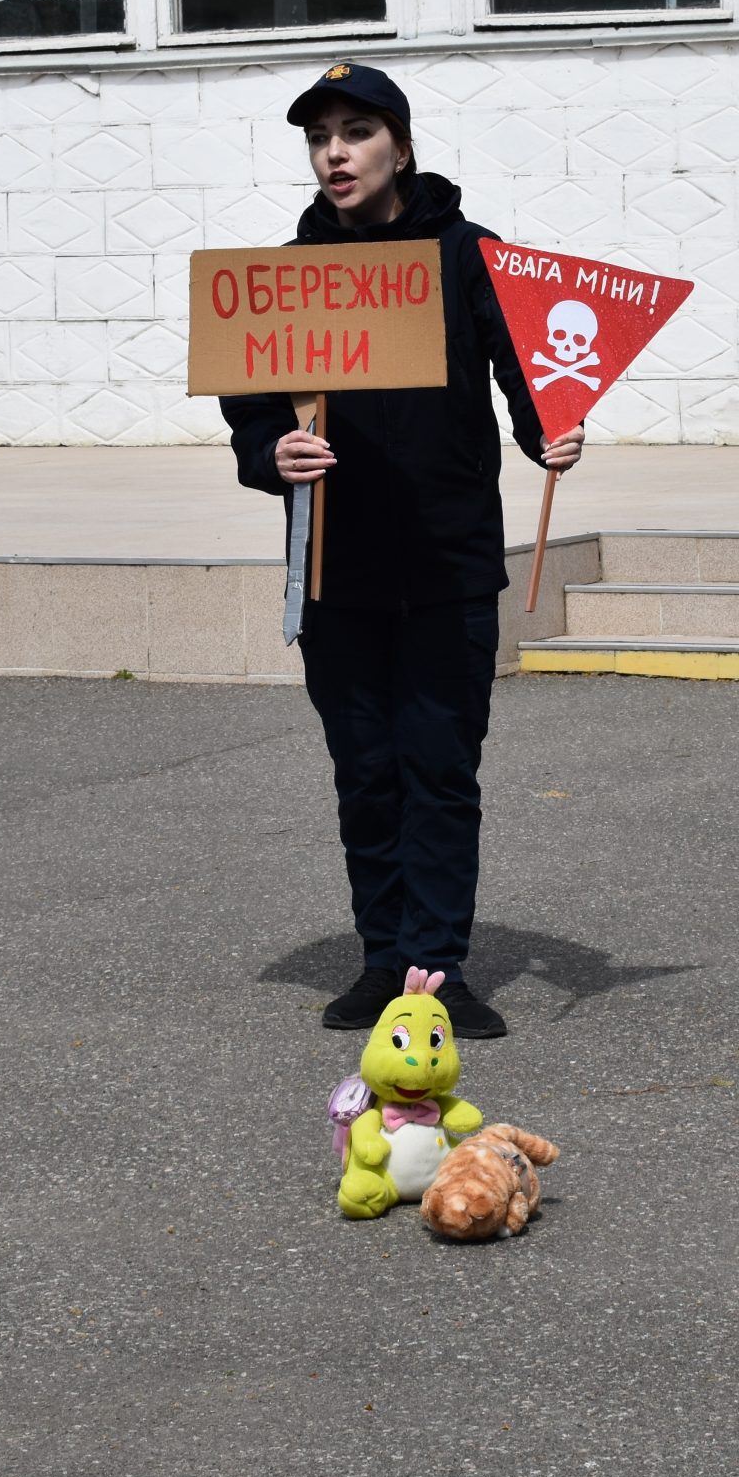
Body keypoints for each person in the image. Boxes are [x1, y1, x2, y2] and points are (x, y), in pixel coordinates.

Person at [222, 63, 586, 1040]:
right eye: (319, 137)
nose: (334, 153)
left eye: (356, 132)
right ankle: (382, 960)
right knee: (367, 775)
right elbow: (251, 410)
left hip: (446, 565)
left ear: (402, 145)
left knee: (439, 773)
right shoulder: (287, 276)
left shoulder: (466, 254)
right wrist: (269, 452)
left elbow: (527, 371)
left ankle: (437, 971)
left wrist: (547, 432)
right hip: (335, 571)